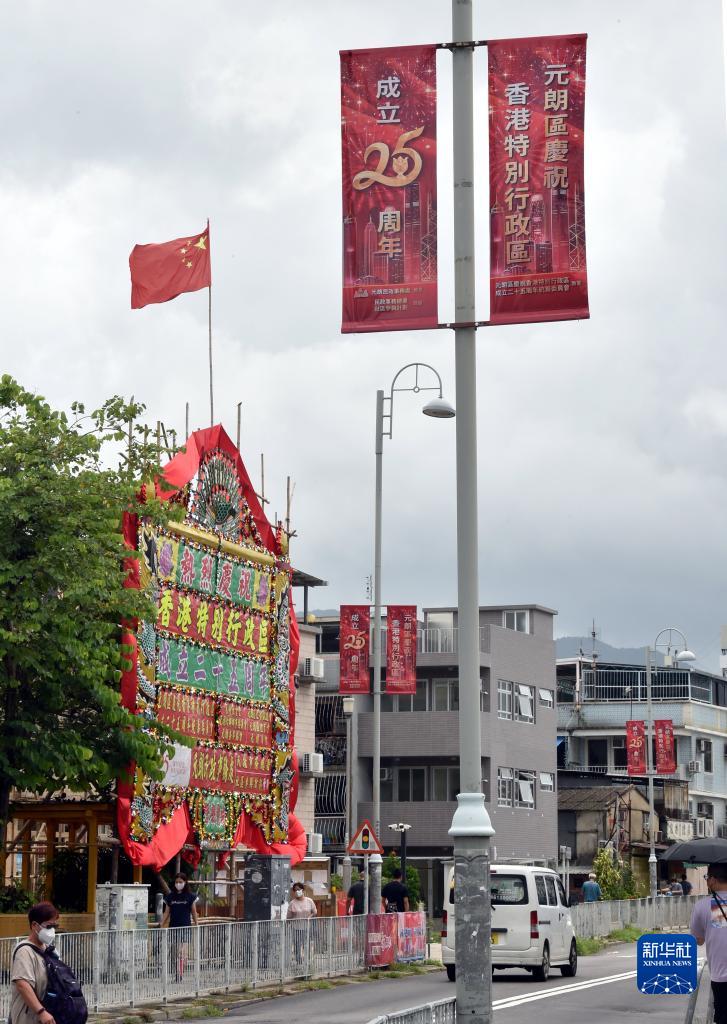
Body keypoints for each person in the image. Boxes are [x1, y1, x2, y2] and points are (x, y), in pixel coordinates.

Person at [10, 902, 60, 1024]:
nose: (52, 930)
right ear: (34, 925)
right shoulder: (24, 951)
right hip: (28, 1018)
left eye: (55, 926)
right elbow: (22, 984)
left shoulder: (50, 950)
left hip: (49, 1015)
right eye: (48, 926)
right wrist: (41, 1012)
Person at [690, 862, 727, 1023]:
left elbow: (698, 940)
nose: (707, 881)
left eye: (707, 877)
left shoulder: (703, 905)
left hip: (722, 975)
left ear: (713, 880)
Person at [161, 873, 199, 981]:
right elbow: (166, 912)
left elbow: (194, 911)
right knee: (174, 953)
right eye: (177, 882)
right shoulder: (170, 896)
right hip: (173, 927)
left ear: (185, 882)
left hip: (185, 927)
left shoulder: (190, 896)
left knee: (182, 952)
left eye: (180, 882)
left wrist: (197, 924)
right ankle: (177, 971)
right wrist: (161, 924)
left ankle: (180, 974)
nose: (178, 884)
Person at [287, 884, 317, 965]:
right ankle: (299, 962)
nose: (297, 891)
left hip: (307, 927)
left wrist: (310, 917)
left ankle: (308, 962)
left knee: (307, 944)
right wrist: (290, 919)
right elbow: (288, 917)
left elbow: (314, 912)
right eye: (295, 890)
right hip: (296, 927)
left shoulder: (309, 900)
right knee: (297, 945)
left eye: (299, 889)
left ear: (303, 890)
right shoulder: (292, 903)